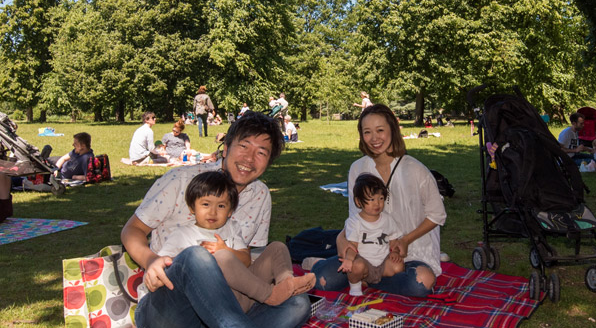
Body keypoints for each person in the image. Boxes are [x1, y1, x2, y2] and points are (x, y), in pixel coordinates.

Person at [121, 111, 318, 328]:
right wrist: (150, 261)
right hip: (168, 316)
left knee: (298, 304)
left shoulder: (260, 196)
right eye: (244, 146)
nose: (250, 159)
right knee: (197, 257)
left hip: (222, 316)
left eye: (261, 152)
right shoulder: (182, 179)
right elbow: (131, 230)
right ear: (226, 148)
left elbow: (246, 264)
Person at [306, 104, 447, 298]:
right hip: (366, 253)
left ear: (393, 130)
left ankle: (365, 279)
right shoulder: (358, 168)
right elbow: (357, 214)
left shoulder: (415, 170)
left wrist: (405, 239)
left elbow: (437, 215)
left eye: (380, 130)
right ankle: (358, 273)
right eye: (367, 132)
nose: (374, 138)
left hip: (406, 254)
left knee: (421, 283)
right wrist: (343, 237)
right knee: (322, 280)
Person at [157, 171, 315, 309]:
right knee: (222, 258)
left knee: (277, 247)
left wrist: (226, 250)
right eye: (205, 204)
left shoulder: (231, 228)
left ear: (230, 211)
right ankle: (271, 296)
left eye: (221, 206)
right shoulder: (182, 234)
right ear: (192, 207)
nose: (212, 212)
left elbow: (246, 260)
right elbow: (164, 264)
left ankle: (286, 284)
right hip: (217, 302)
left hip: (248, 294)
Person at [340, 173, 403, 296]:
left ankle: (372, 282)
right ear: (358, 202)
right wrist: (348, 260)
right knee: (356, 266)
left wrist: (395, 252)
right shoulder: (354, 222)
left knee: (398, 266)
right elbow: (352, 246)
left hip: (382, 263)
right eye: (371, 199)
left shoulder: (388, 220)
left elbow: (394, 240)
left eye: (381, 198)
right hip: (364, 263)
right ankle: (355, 285)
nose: (377, 204)